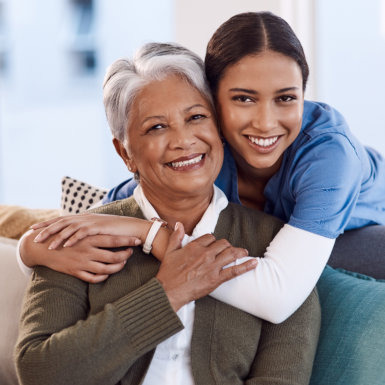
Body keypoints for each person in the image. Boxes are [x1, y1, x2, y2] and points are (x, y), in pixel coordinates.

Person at [15, 42, 320, 385]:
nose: (183, 140)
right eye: (156, 127)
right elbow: (38, 373)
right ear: (124, 152)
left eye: (196, 118)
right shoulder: (79, 237)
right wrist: (167, 294)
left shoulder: (279, 251)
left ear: (219, 128)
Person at [91, 11, 385, 278]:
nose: (265, 123)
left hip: (356, 232)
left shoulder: (328, 153)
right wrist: (46, 250)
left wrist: (149, 235)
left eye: (286, 98)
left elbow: (281, 287)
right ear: (212, 102)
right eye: (244, 99)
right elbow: (111, 211)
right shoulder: (201, 152)